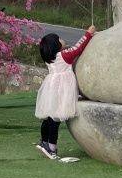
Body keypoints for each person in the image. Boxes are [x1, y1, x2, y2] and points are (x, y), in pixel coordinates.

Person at [34, 26, 96, 160]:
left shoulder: (49, 59)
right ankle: (51, 148)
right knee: (55, 120)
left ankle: (44, 142)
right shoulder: (64, 55)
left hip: (50, 89)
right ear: (55, 45)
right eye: (59, 39)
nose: (62, 40)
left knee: (49, 116)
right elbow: (78, 48)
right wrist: (88, 34)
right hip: (61, 90)